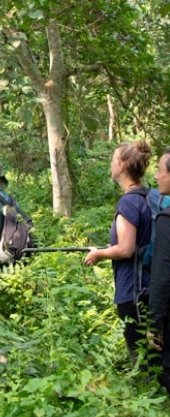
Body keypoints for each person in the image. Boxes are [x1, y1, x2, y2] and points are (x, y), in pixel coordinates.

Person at [84, 141, 152, 368]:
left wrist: (99, 254)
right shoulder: (148, 197)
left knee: (140, 355)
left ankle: (146, 395)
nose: (111, 164)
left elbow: (126, 249)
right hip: (152, 287)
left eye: (114, 159)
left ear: (122, 165)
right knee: (155, 351)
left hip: (134, 290)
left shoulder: (128, 203)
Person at [149, 151, 170, 392]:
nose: (156, 176)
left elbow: (162, 274)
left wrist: (154, 324)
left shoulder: (166, 218)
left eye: (160, 170)